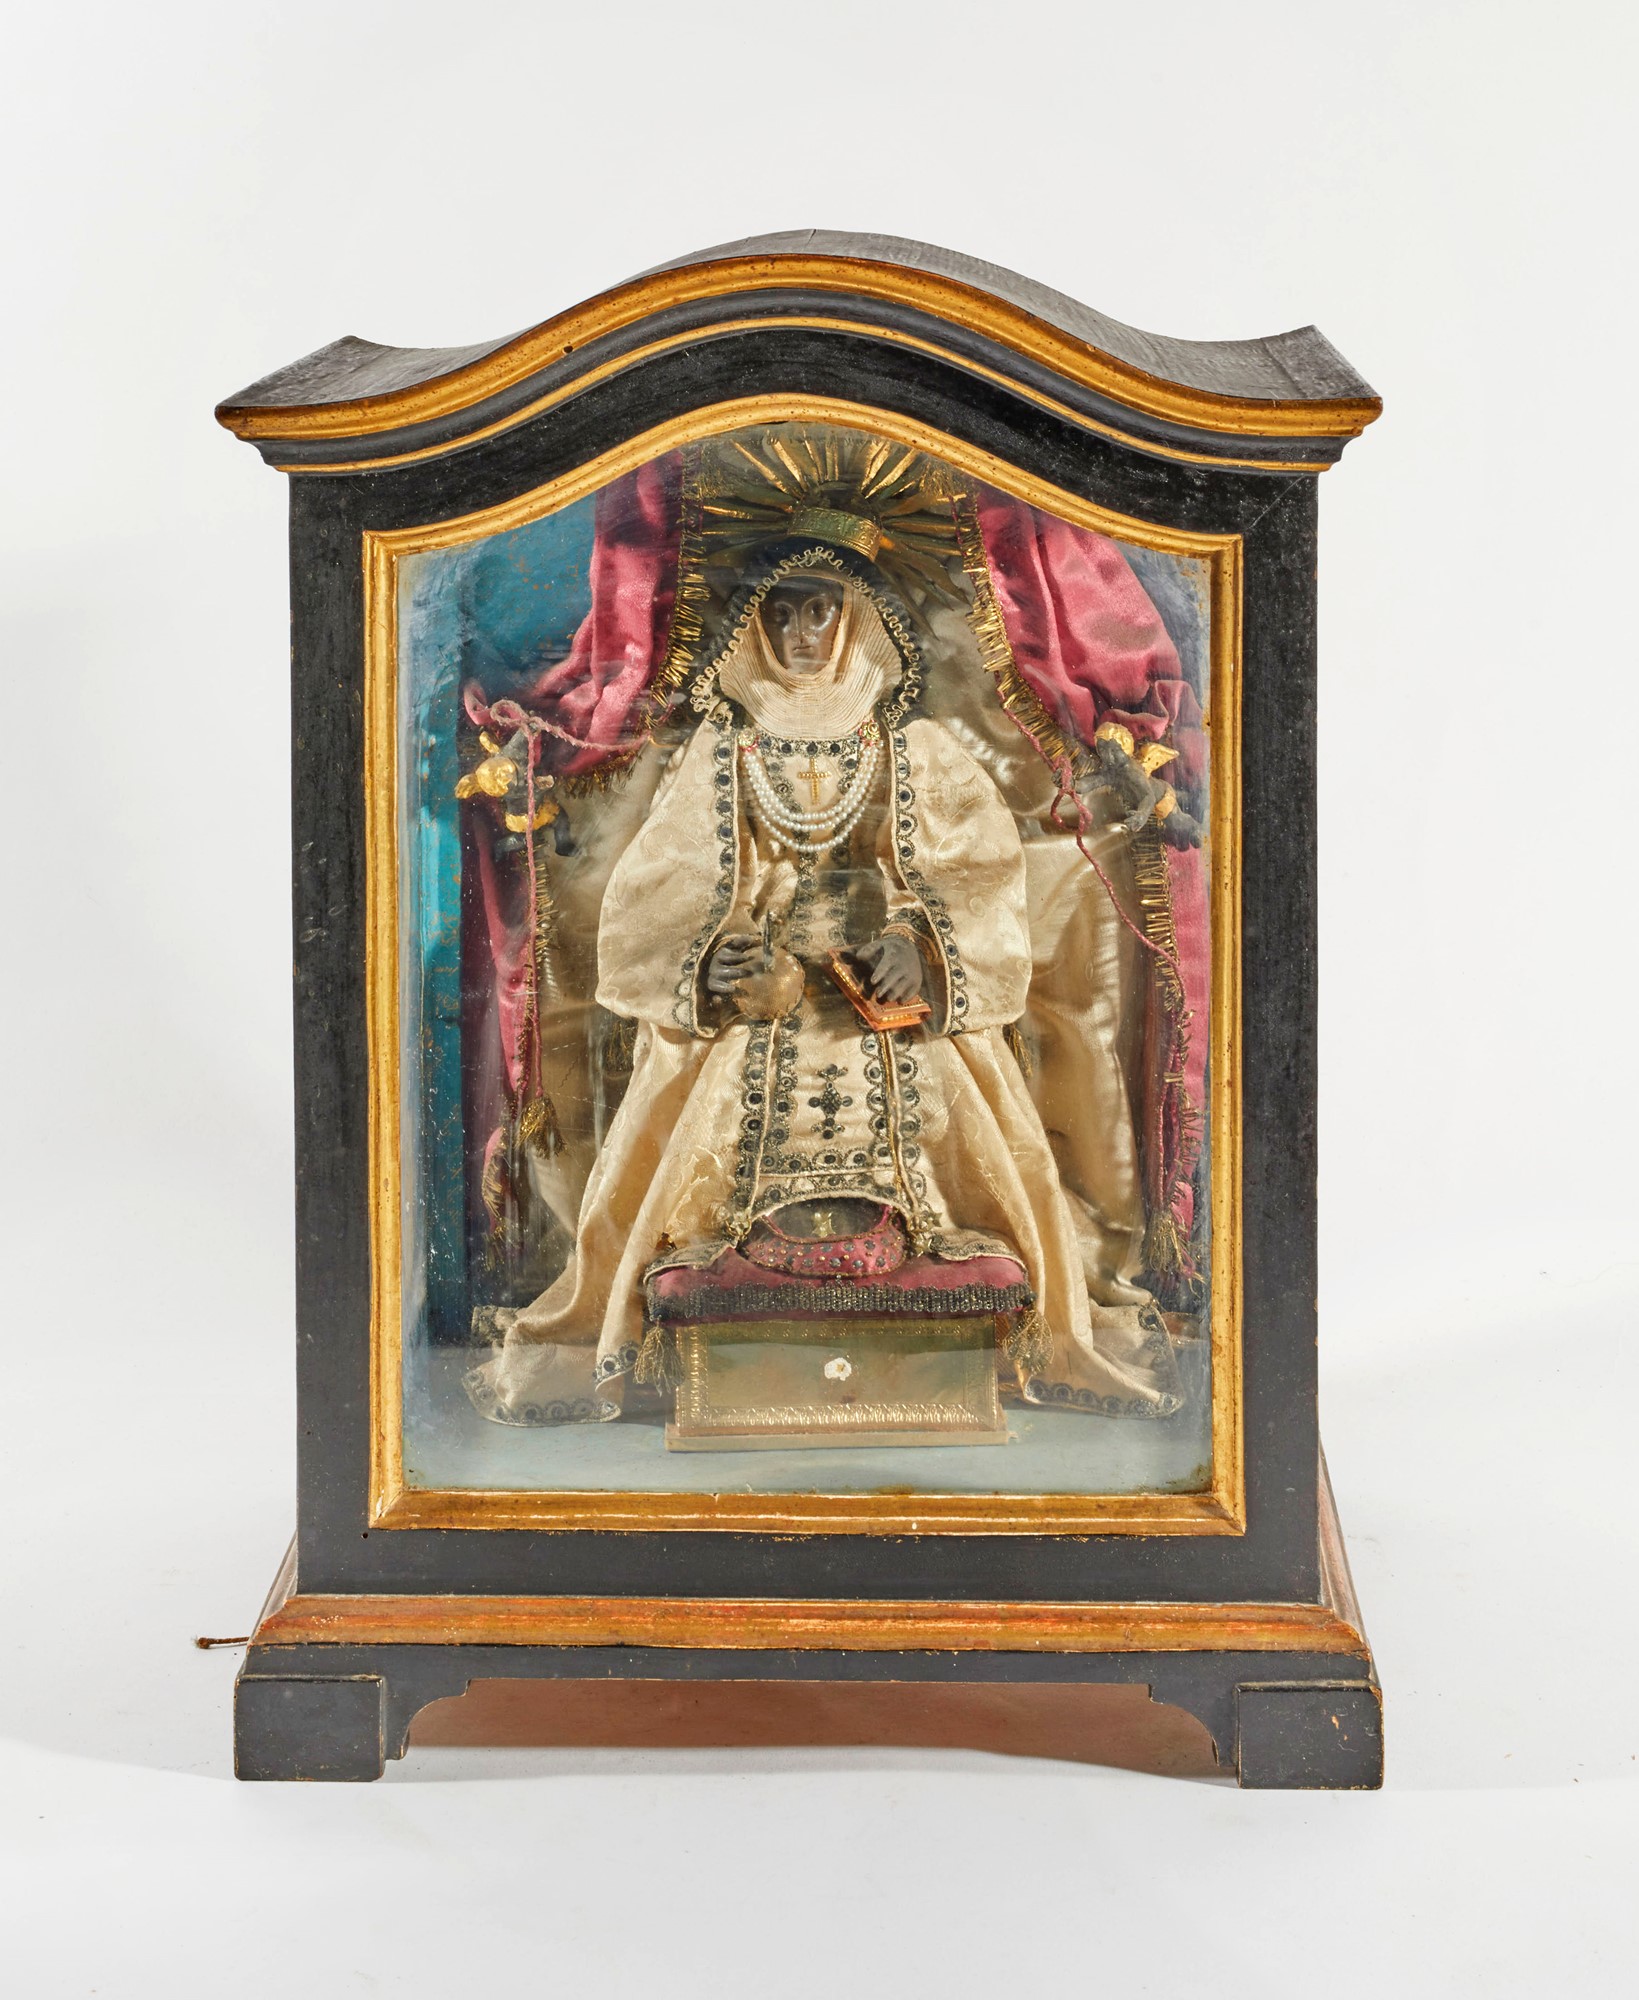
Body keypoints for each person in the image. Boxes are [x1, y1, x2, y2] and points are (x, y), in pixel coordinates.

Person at [465, 480, 1184, 1427]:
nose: (801, 633)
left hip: (884, 1001)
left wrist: (921, 950)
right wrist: (708, 963)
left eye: (821, 612)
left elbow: (980, 873)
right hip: (755, 1002)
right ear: (754, 625)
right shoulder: (725, 750)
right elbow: (658, 888)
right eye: (782, 613)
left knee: (957, 1096)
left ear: (858, 621)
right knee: (695, 1091)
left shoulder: (913, 747)